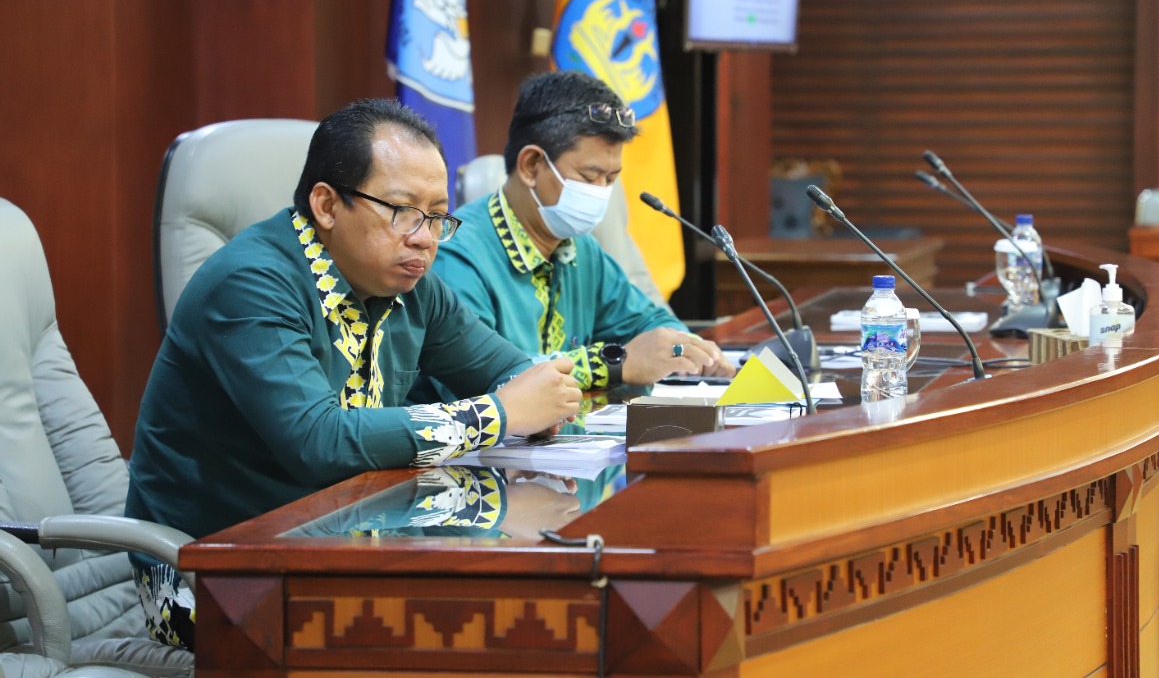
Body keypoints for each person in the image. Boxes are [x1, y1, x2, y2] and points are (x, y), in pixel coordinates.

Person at [125, 98, 582, 650]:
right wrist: (499, 414)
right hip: (207, 577)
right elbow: (318, 441)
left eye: (437, 216)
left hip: (344, 545)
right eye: (403, 211)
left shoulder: (411, 285)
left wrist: (544, 396)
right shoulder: (251, 283)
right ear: (326, 205)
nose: (425, 238)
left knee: (520, 617)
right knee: (462, 634)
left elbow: (507, 370)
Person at [431, 71, 735, 395]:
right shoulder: (456, 256)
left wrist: (684, 348)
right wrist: (613, 364)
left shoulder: (580, 249)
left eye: (611, 179)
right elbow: (479, 380)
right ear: (531, 165)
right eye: (590, 177)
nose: (601, 192)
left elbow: (648, 324)